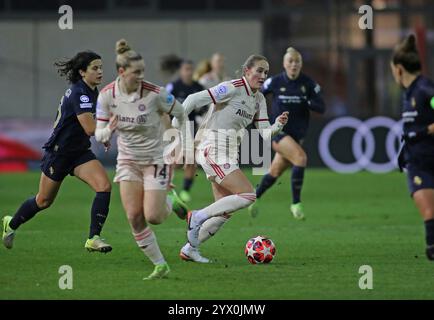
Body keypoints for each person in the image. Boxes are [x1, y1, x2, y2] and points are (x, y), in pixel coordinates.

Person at [176, 54, 289, 262]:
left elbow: (263, 133)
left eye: (266, 72)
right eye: (259, 71)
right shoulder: (232, 87)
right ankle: (196, 216)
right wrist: (177, 122)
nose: (263, 75)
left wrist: (278, 126)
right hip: (212, 148)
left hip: (228, 154)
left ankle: (190, 248)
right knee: (248, 195)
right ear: (247, 71)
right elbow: (192, 100)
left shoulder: (259, 99)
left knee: (224, 211)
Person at [2, 51, 113, 252]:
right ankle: (11, 224)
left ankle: (93, 238)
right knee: (43, 201)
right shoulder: (80, 93)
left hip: (79, 153)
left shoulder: (91, 91)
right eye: (95, 68)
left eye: (101, 67)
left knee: (104, 186)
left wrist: (103, 135)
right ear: (82, 72)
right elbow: (89, 128)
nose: (100, 72)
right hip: (59, 153)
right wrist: (109, 129)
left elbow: (90, 127)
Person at [95, 39, 188, 279]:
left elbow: (181, 113)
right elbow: (99, 133)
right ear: (121, 71)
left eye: (143, 72)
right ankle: (160, 265)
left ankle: (170, 200)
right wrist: (107, 132)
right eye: (136, 72)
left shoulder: (156, 94)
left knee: (153, 216)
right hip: (127, 161)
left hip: (156, 160)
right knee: (134, 216)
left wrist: (177, 144)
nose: (141, 76)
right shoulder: (107, 96)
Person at [248, 47, 326, 220]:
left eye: (297, 61)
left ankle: (254, 196)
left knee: (275, 171)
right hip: (278, 133)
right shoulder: (275, 82)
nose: (293, 64)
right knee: (301, 158)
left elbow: (321, 107)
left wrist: (307, 101)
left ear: (301, 64)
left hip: (297, 137)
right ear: (284, 63)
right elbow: (256, 97)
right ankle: (296, 204)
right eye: (290, 61)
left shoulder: (308, 84)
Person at [391, 34, 434, 260]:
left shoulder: (426, 89)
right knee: (428, 211)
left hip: (429, 159)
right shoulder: (409, 93)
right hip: (417, 162)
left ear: (399, 69)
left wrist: (423, 131)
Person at [166, 60, 205, 203]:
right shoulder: (173, 87)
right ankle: (165, 185)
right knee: (175, 160)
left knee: (190, 161)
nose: (189, 72)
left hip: (191, 128)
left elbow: (205, 107)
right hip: (174, 128)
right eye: (186, 69)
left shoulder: (198, 87)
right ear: (181, 71)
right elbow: (164, 106)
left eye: (191, 69)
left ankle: (184, 192)